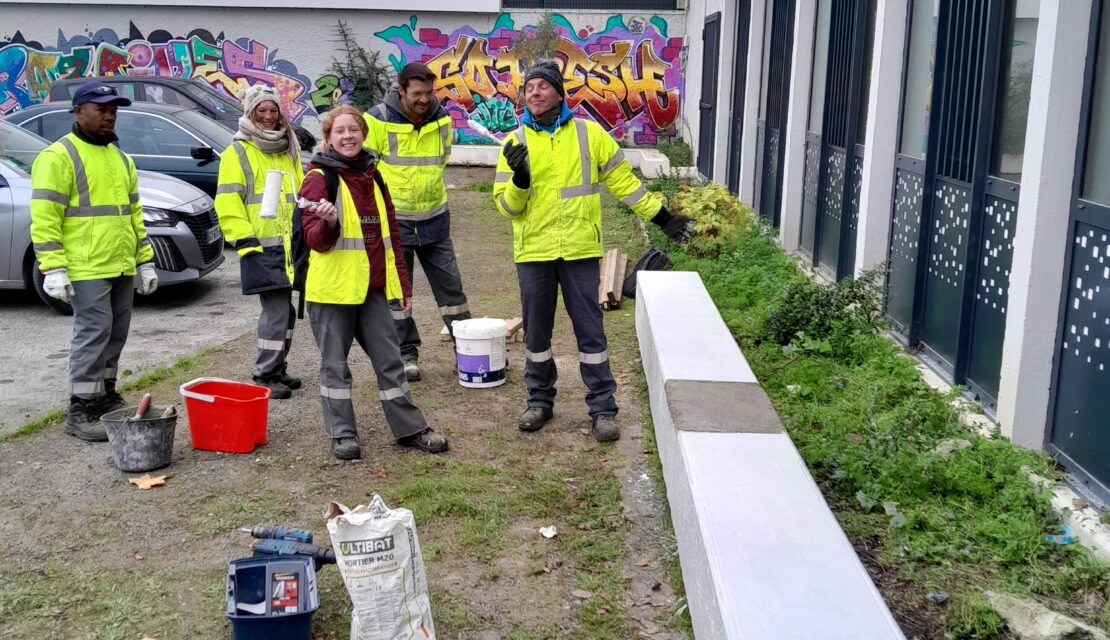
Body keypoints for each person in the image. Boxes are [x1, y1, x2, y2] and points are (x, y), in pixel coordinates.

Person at [492, 60, 694, 442]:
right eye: (528, 87)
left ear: (558, 92)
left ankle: (602, 409)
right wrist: (519, 180)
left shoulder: (590, 134)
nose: (533, 92)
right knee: (537, 335)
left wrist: (662, 217)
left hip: (580, 251)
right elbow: (505, 207)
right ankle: (539, 401)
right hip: (534, 252)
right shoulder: (513, 144)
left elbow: (624, 182)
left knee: (591, 334)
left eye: (542, 86)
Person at [299, 105, 449, 460]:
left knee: (391, 363)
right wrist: (330, 222)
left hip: (373, 290)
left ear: (364, 134)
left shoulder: (373, 174)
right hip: (333, 292)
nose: (348, 136)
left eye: (354, 129)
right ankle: (343, 435)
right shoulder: (320, 178)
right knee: (335, 367)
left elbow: (391, 236)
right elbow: (313, 240)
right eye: (340, 131)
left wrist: (403, 287)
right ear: (328, 137)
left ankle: (410, 429)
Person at [30, 81, 159, 441]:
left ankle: (103, 395)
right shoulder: (59, 157)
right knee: (93, 333)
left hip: (119, 263)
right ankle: (81, 406)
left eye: (113, 109)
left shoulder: (119, 157)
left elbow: (133, 213)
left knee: (115, 333)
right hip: (84, 266)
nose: (109, 115)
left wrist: (144, 260)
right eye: (101, 108)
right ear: (78, 111)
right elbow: (44, 217)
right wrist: (52, 268)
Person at [363, 62, 471, 382]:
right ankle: (406, 352)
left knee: (452, 291)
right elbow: (364, 172)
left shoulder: (442, 119)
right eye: (417, 94)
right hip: (394, 223)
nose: (425, 99)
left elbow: (443, 158)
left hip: (435, 218)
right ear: (401, 91)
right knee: (399, 294)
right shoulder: (376, 120)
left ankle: (466, 348)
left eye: (429, 92)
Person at [215, 84, 304, 399]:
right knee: (277, 310)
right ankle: (265, 373)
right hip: (260, 245)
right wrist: (243, 239)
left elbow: (300, 193)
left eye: (273, 110)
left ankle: (277, 366)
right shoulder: (237, 152)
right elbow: (227, 202)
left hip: (289, 244)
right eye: (261, 111)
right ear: (249, 114)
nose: (268, 117)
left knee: (287, 312)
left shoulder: (286, 147)